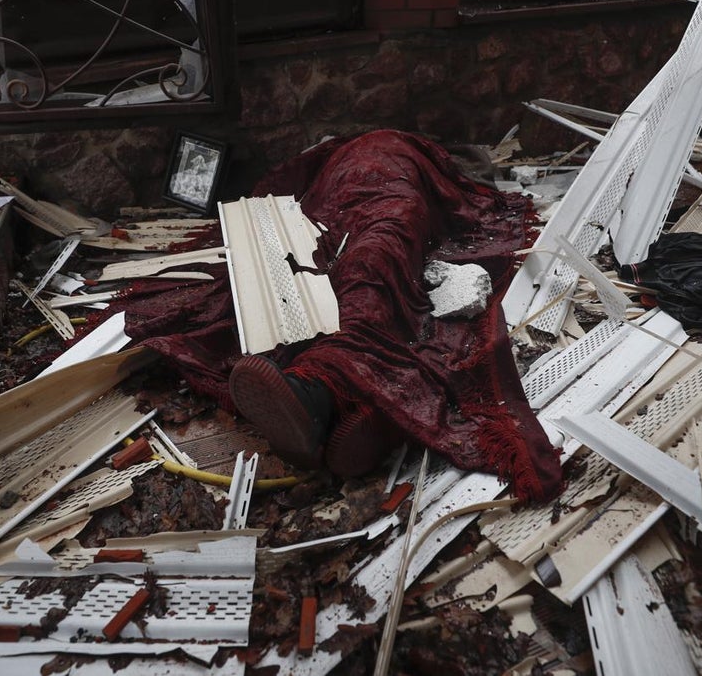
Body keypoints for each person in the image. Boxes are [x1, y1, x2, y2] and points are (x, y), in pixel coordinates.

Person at [223, 131, 563, 503]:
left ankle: (321, 390)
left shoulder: (409, 153)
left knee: (378, 251)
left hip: (396, 199)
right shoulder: (356, 150)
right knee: (326, 273)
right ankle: (370, 405)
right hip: (340, 205)